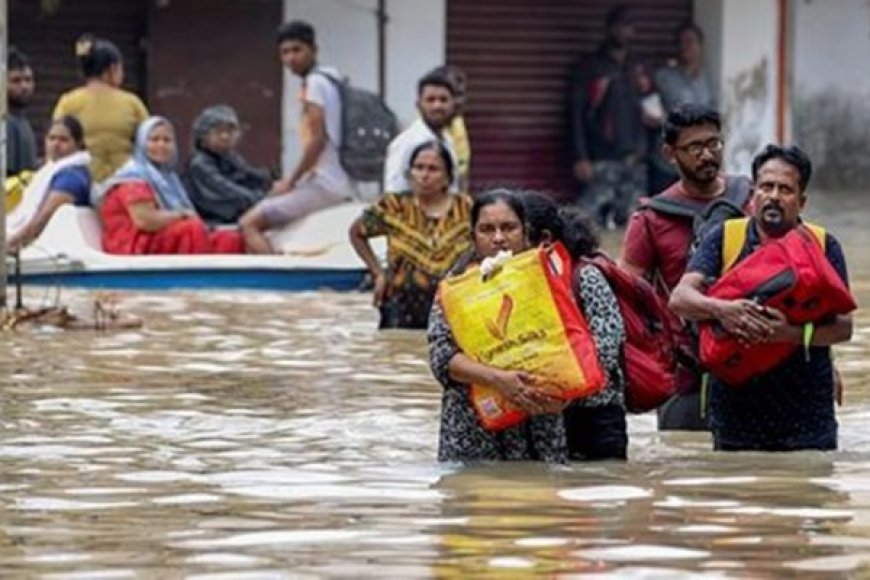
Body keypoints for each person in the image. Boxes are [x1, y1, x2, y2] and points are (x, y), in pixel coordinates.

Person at [669, 144, 852, 451]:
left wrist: (788, 334)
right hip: (735, 410)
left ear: (802, 201)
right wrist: (723, 310)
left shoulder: (822, 245)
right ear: (753, 194)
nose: (774, 196)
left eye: (786, 189)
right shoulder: (726, 238)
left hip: (807, 414)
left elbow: (844, 328)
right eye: (766, 187)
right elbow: (680, 299)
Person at [620, 104, 751, 431]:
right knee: (685, 463)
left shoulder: (752, 199)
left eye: (714, 144)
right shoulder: (651, 219)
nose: (707, 155)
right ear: (670, 154)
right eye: (695, 148)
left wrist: (822, 363)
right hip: (686, 371)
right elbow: (626, 297)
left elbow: (800, 280)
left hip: (755, 359)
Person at [428, 189, 568, 463]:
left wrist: (564, 393)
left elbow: (569, 347)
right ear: (473, 237)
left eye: (508, 228)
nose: (499, 238)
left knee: (542, 501)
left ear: (525, 232)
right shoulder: (455, 289)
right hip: (473, 431)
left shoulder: (548, 281)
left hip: (539, 427)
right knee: (477, 498)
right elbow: (441, 358)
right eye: (487, 229)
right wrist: (499, 380)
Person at [522, 193, 628, 461]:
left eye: (516, 231)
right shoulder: (523, 282)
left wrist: (564, 389)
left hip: (595, 413)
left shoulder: (585, 275)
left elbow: (606, 345)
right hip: (547, 413)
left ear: (543, 239)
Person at [239, 20, 355, 254]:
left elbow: (317, 140)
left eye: (297, 50)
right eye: (285, 52)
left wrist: (290, 182)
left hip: (325, 184)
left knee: (248, 223)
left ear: (313, 50)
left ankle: (274, 279)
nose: (291, 58)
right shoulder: (331, 78)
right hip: (336, 179)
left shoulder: (314, 84)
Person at [349, 141, 472, 330]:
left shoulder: (466, 209)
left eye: (433, 169)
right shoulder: (394, 206)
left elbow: (485, 244)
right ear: (410, 174)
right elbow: (357, 233)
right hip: (399, 307)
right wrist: (378, 273)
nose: (424, 175)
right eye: (419, 168)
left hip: (452, 309)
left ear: (447, 177)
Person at [98, 116, 244, 255]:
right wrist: (181, 215)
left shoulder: (167, 177)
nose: (161, 145)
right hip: (134, 243)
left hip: (160, 235)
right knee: (191, 228)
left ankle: (224, 280)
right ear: (141, 143)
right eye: (154, 140)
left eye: (167, 140)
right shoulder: (132, 177)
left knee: (229, 239)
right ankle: (198, 278)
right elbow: (145, 221)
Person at [569, 5, 652, 229]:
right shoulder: (591, 66)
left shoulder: (638, 67)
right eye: (619, 26)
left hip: (634, 159)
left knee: (635, 226)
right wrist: (580, 156)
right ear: (608, 29)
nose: (624, 32)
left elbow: (650, 108)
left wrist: (644, 147)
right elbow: (576, 114)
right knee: (586, 222)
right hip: (600, 159)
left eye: (628, 26)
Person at [53, 35, 149, 184]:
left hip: (81, 182)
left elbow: (55, 142)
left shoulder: (68, 102)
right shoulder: (132, 103)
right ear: (113, 68)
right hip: (126, 183)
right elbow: (147, 141)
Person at [649, 22, 717, 193]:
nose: (684, 47)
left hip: (697, 162)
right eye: (680, 42)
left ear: (700, 46)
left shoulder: (708, 81)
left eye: (689, 42)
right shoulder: (662, 77)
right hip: (665, 161)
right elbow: (649, 111)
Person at [7, 116, 92, 252]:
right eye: (51, 138)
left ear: (78, 143)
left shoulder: (71, 176)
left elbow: (42, 219)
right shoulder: (47, 170)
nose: (56, 144)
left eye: (63, 140)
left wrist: (10, 244)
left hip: (56, 251)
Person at [185, 104, 279, 225]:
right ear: (203, 136)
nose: (225, 136)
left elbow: (249, 175)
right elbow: (229, 191)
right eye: (218, 131)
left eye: (230, 131)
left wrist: (272, 182)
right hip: (213, 222)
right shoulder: (200, 164)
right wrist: (265, 197)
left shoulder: (230, 157)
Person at [383, 71, 459, 194]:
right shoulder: (407, 143)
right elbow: (394, 193)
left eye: (443, 100)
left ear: (453, 105)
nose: (437, 106)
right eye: (430, 100)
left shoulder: (448, 141)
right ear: (418, 105)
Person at [431, 65, 471, 191]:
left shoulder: (458, 124)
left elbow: (463, 173)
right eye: (454, 95)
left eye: (461, 94)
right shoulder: (421, 135)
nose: (459, 101)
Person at [6, 46, 37, 177]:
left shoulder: (22, 122)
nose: (24, 86)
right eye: (16, 81)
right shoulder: (5, 123)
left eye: (28, 80)